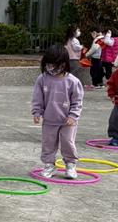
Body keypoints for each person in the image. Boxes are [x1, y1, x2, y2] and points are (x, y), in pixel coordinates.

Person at [32, 46, 84, 179]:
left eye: (55, 64)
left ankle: (71, 164)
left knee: (67, 142)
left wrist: (73, 115)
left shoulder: (73, 81)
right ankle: (49, 165)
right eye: (49, 64)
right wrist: (37, 112)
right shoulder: (42, 79)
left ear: (64, 64)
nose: (52, 67)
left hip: (68, 121)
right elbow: (37, 98)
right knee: (48, 144)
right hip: (49, 120)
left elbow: (77, 101)